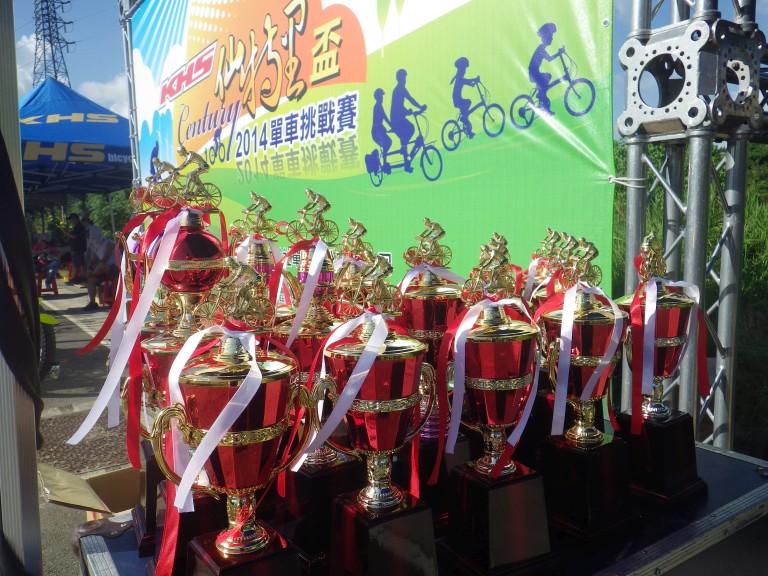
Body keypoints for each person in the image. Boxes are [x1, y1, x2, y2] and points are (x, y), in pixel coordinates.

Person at [390, 69, 426, 173]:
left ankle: (406, 162)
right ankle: (404, 148)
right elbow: (398, 107)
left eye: (405, 78)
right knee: (410, 128)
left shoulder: (401, 88)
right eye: (403, 78)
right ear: (399, 78)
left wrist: (420, 107)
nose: (405, 80)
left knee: (406, 136)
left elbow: (410, 99)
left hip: (398, 118)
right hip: (396, 119)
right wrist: (408, 111)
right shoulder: (398, 89)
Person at [528, 22, 563, 115]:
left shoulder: (542, 48)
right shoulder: (541, 48)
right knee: (546, 82)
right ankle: (543, 99)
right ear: (546, 37)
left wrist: (559, 53)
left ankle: (541, 93)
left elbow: (549, 59)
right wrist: (559, 53)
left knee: (547, 77)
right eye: (550, 36)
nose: (552, 38)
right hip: (533, 73)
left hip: (534, 72)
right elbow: (549, 59)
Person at [83, 236, 118, 311]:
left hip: (116, 268)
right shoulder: (95, 246)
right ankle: (92, 303)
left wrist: (92, 272)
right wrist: (89, 269)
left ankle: (91, 275)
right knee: (91, 280)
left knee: (102, 266)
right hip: (103, 271)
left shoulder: (108, 244)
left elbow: (104, 260)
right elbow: (93, 261)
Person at [451, 57, 479, 137]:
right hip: (457, 100)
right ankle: (464, 118)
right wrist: (474, 80)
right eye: (464, 69)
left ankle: (469, 131)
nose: (465, 71)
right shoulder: (459, 78)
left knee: (465, 114)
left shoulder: (459, 77)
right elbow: (465, 81)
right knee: (468, 103)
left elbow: (466, 82)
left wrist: (472, 83)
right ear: (461, 69)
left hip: (458, 99)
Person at [371, 88, 392, 170]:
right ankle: (384, 163)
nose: (382, 98)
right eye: (381, 96)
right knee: (387, 143)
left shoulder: (379, 106)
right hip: (377, 132)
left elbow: (384, 118)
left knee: (388, 143)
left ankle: (384, 161)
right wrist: (391, 126)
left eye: (382, 96)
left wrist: (390, 126)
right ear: (378, 97)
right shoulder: (377, 106)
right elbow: (384, 118)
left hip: (378, 130)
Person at [65, 213, 87, 284]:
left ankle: (73, 279)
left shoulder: (78, 226)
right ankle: (83, 278)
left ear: (75, 218)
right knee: (81, 264)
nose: (71, 221)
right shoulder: (79, 226)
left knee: (75, 264)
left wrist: (66, 232)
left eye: (71, 219)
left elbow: (74, 236)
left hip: (77, 248)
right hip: (80, 248)